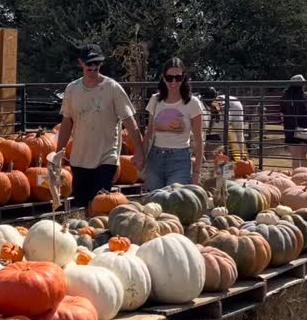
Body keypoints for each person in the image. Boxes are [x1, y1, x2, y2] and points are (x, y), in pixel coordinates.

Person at [56, 44, 144, 209]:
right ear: (80, 63)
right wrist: (58, 152)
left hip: (106, 157)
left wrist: (140, 150)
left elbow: (129, 120)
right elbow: (67, 122)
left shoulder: (113, 88)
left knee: (101, 204)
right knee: (83, 206)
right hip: (80, 158)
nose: (93, 67)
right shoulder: (72, 90)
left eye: (96, 63)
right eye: (89, 63)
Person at [144, 58, 204, 190]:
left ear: (184, 78)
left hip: (180, 159)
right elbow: (149, 133)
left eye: (178, 77)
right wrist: (141, 157)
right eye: (169, 77)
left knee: (175, 202)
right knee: (154, 203)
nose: (174, 82)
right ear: (163, 78)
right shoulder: (155, 100)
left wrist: (196, 173)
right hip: (155, 159)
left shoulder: (192, 103)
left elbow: (199, 141)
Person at [280, 74, 307, 171]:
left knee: (295, 156)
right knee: (303, 155)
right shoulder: (305, 95)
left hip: (290, 128)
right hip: (304, 127)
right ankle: (304, 176)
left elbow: (282, 110)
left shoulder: (285, 95)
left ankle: (296, 177)